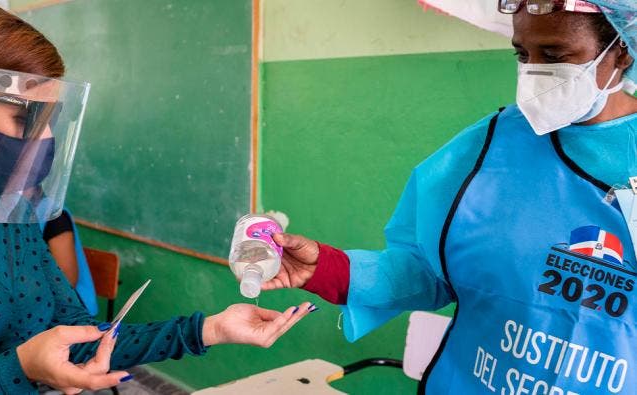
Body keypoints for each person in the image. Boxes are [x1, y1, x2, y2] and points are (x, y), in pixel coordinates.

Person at [0, 3, 315, 393]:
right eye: (27, 117)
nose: (44, 138)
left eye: (51, 118)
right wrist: (21, 369)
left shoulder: (6, 207)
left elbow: (78, 337)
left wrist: (208, 329)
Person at [263, 0, 637, 393]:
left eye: (555, 55)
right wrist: (326, 269)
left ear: (622, 47)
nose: (534, 70)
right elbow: (428, 271)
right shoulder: (489, 147)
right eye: (522, 54)